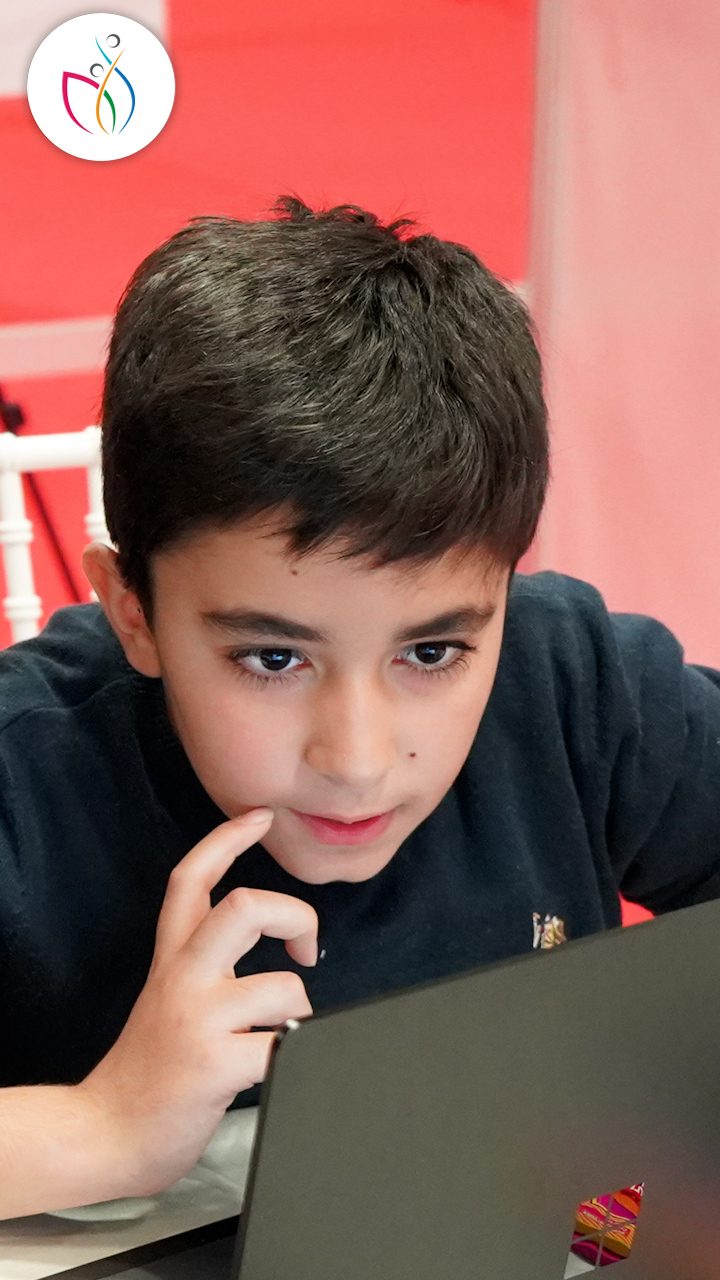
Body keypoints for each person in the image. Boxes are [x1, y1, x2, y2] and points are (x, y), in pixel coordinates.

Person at [1, 195, 719, 1219]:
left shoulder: (574, 682)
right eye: (272, 658)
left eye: (432, 651)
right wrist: (100, 1128)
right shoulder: (26, 782)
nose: (358, 758)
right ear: (134, 613)